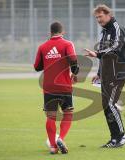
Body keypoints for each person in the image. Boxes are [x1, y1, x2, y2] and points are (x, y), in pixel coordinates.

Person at [84, 4, 125, 148]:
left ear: (108, 14)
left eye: (100, 16)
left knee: (110, 104)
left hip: (117, 73)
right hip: (107, 74)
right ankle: (114, 138)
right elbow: (104, 55)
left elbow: (115, 48)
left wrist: (96, 54)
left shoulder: (117, 29)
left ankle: (122, 136)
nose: (98, 19)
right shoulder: (104, 32)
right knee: (106, 106)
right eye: (96, 17)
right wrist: (98, 73)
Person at [34, 22, 79, 154]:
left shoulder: (42, 47)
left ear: (50, 32)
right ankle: (61, 138)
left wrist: (49, 60)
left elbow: (37, 67)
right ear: (62, 31)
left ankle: (53, 147)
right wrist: (75, 74)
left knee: (51, 117)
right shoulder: (67, 44)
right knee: (68, 113)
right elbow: (73, 60)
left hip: (48, 87)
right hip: (64, 85)